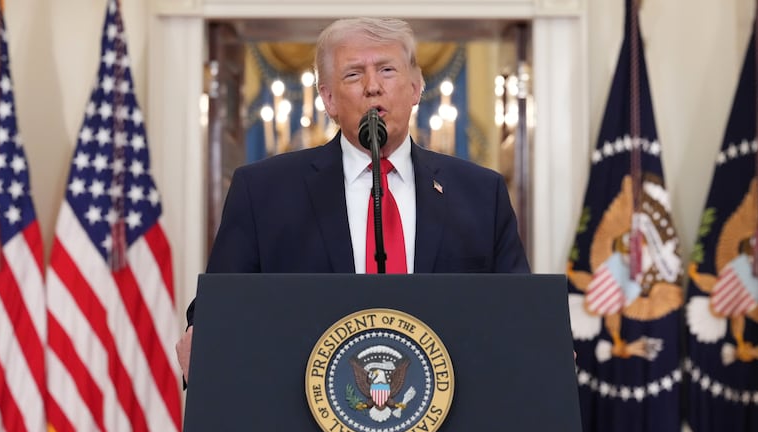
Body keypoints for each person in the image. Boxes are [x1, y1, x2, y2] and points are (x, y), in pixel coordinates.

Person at [176, 17, 530, 382]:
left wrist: (542, 343)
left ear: (415, 87)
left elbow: (519, 310)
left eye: (387, 70)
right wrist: (201, 333)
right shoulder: (263, 191)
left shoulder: (479, 193)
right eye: (353, 75)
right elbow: (219, 307)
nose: (373, 87)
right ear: (328, 99)